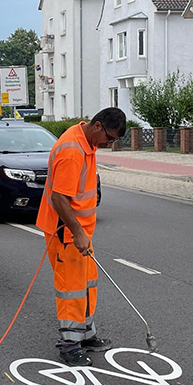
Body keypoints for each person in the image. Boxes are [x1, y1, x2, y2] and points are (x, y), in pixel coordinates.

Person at [36, 108, 126, 366]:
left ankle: (85, 335)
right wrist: (77, 233)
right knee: (71, 289)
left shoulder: (86, 141)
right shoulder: (72, 151)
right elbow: (59, 197)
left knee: (87, 284)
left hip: (79, 232)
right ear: (97, 126)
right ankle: (69, 346)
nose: (109, 144)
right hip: (66, 232)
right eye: (109, 138)